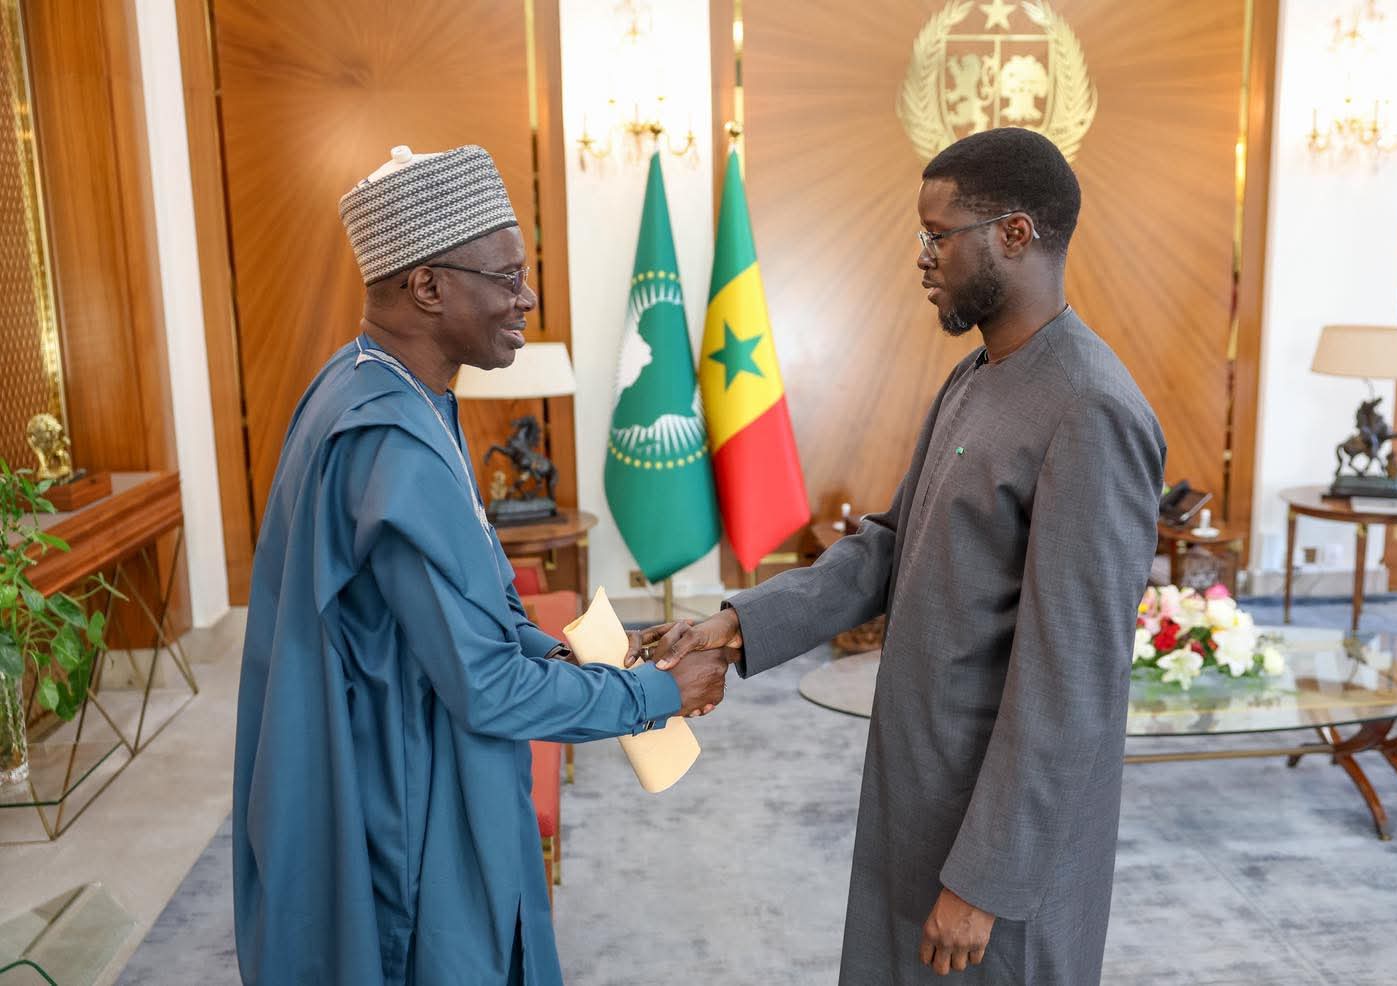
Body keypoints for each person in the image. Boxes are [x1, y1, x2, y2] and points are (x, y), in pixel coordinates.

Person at [632, 128, 1165, 984]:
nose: (922, 257)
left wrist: (985, 879)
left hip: (998, 853)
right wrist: (734, 626)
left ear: (1016, 235)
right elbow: (887, 546)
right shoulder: (976, 377)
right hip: (920, 799)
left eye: (938, 235)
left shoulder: (1092, 408)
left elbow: (1073, 682)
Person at [232, 144, 729, 986]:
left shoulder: (374, 387)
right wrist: (656, 695)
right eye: (506, 278)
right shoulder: (393, 440)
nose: (526, 298)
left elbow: (460, 620)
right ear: (428, 286)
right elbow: (484, 686)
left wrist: (589, 651)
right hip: (407, 792)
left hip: (404, 740)